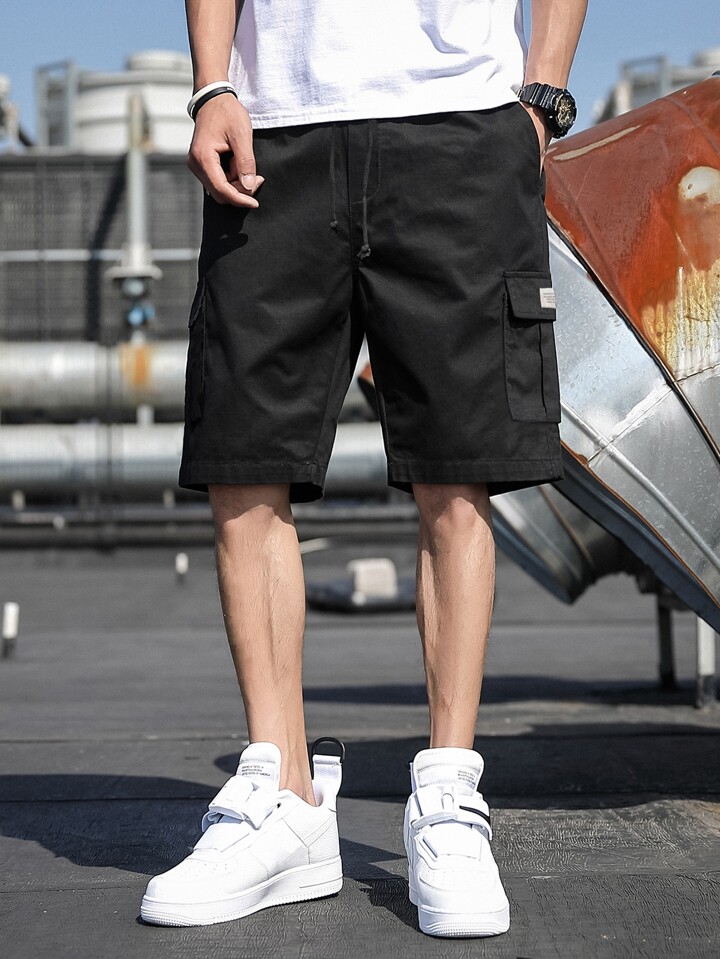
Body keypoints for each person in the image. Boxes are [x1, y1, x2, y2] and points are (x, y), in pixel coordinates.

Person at [141, 0, 586, 937]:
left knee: (457, 474)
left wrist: (541, 97)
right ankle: (285, 796)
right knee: (243, 462)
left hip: (459, 125)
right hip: (273, 130)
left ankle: (449, 797)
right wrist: (213, 84)